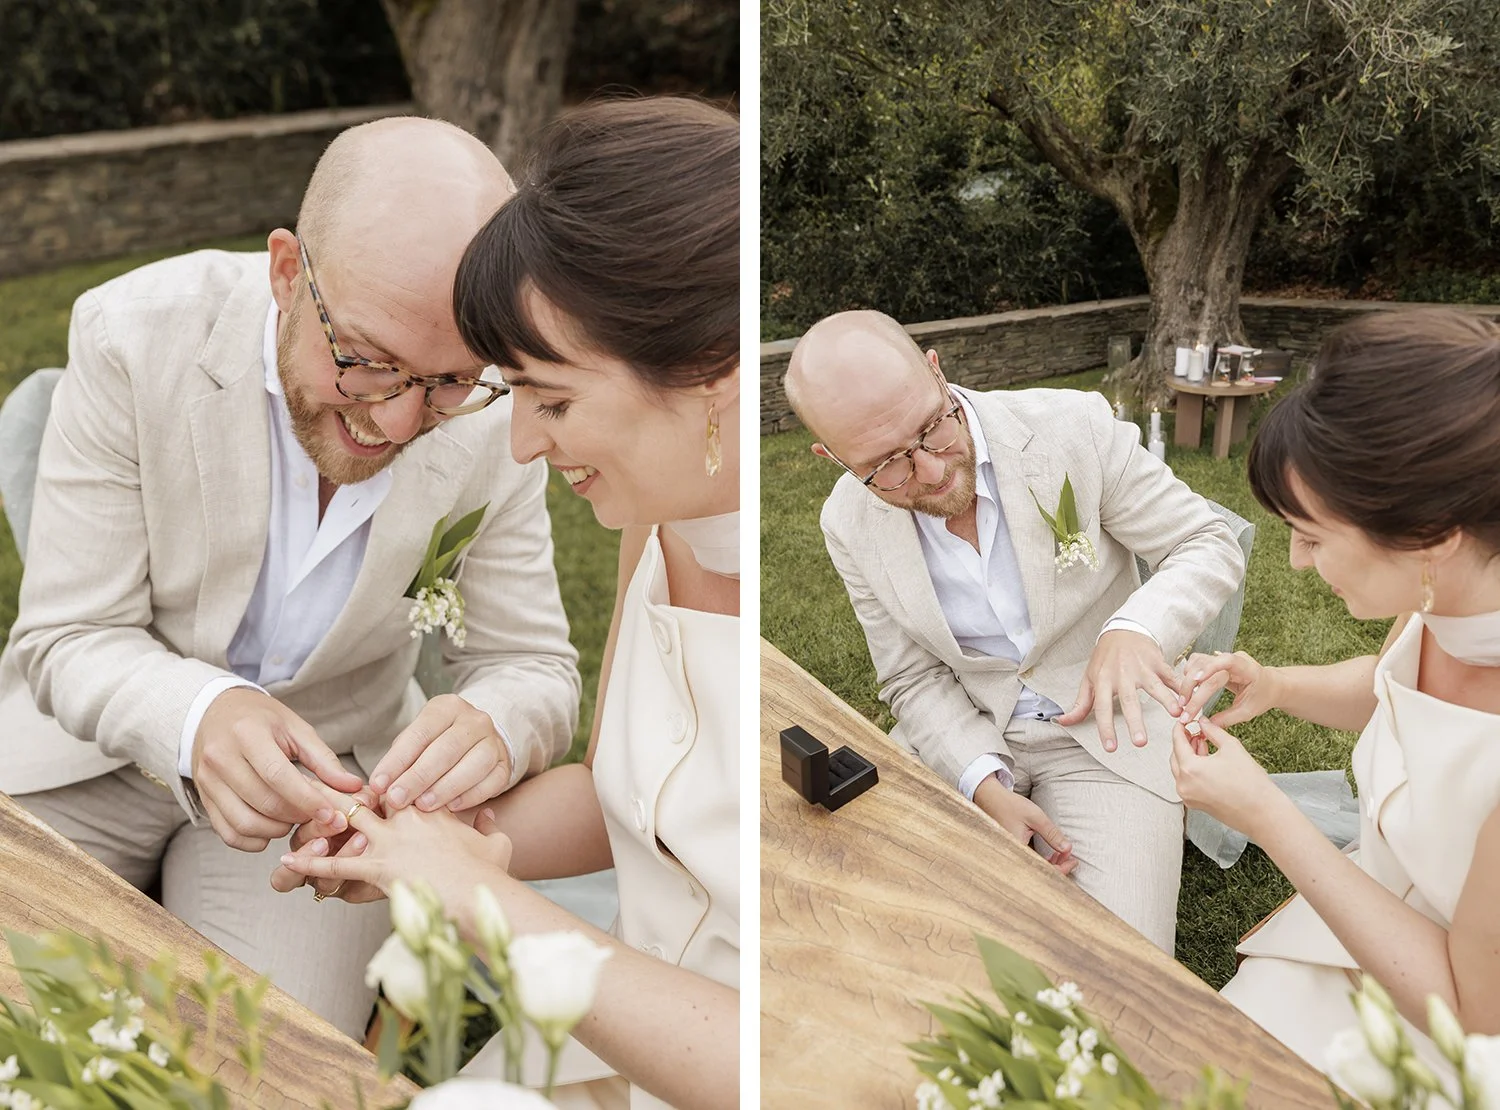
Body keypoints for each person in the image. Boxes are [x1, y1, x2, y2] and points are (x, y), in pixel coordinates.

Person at [0, 116, 581, 1038]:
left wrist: (495, 724)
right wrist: (199, 717)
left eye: (445, 383)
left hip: (320, 814)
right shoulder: (129, 336)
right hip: (84, 763)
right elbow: (66, 638)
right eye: (367, 362)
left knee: (273, 1062)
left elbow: (537, 665)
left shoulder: (496, 421)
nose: (395, 425)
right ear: (285, 271)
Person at [274, 96, 739, 1110]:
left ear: (712, 378)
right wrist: (405, 836)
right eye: (510, 393)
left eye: (554, 399)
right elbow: (627, 793)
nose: (521, 444)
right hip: (620, 1031)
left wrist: (481, 897)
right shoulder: (655, 528)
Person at [781, 311, 1245, 952]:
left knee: (1119, 964)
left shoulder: (1072, 428)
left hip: (1107, 735)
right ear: (831, 457)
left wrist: (1137, 628)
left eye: (931, 429)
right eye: (886, 465)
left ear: (936, 371)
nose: (932, 472)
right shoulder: (846, 521)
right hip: (960, 732)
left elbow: (1206, 541)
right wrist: (982, 781)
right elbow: (910, 677)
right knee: (882, 929)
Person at [1170, 309, 1500, 1080]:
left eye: (1313, 535)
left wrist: (1268, 815)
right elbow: (1394, 695)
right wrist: (1276, 684)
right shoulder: (1449, 599)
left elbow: (1478, 1018)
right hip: (1370, 924)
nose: (1292, 560)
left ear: (1431, 535)